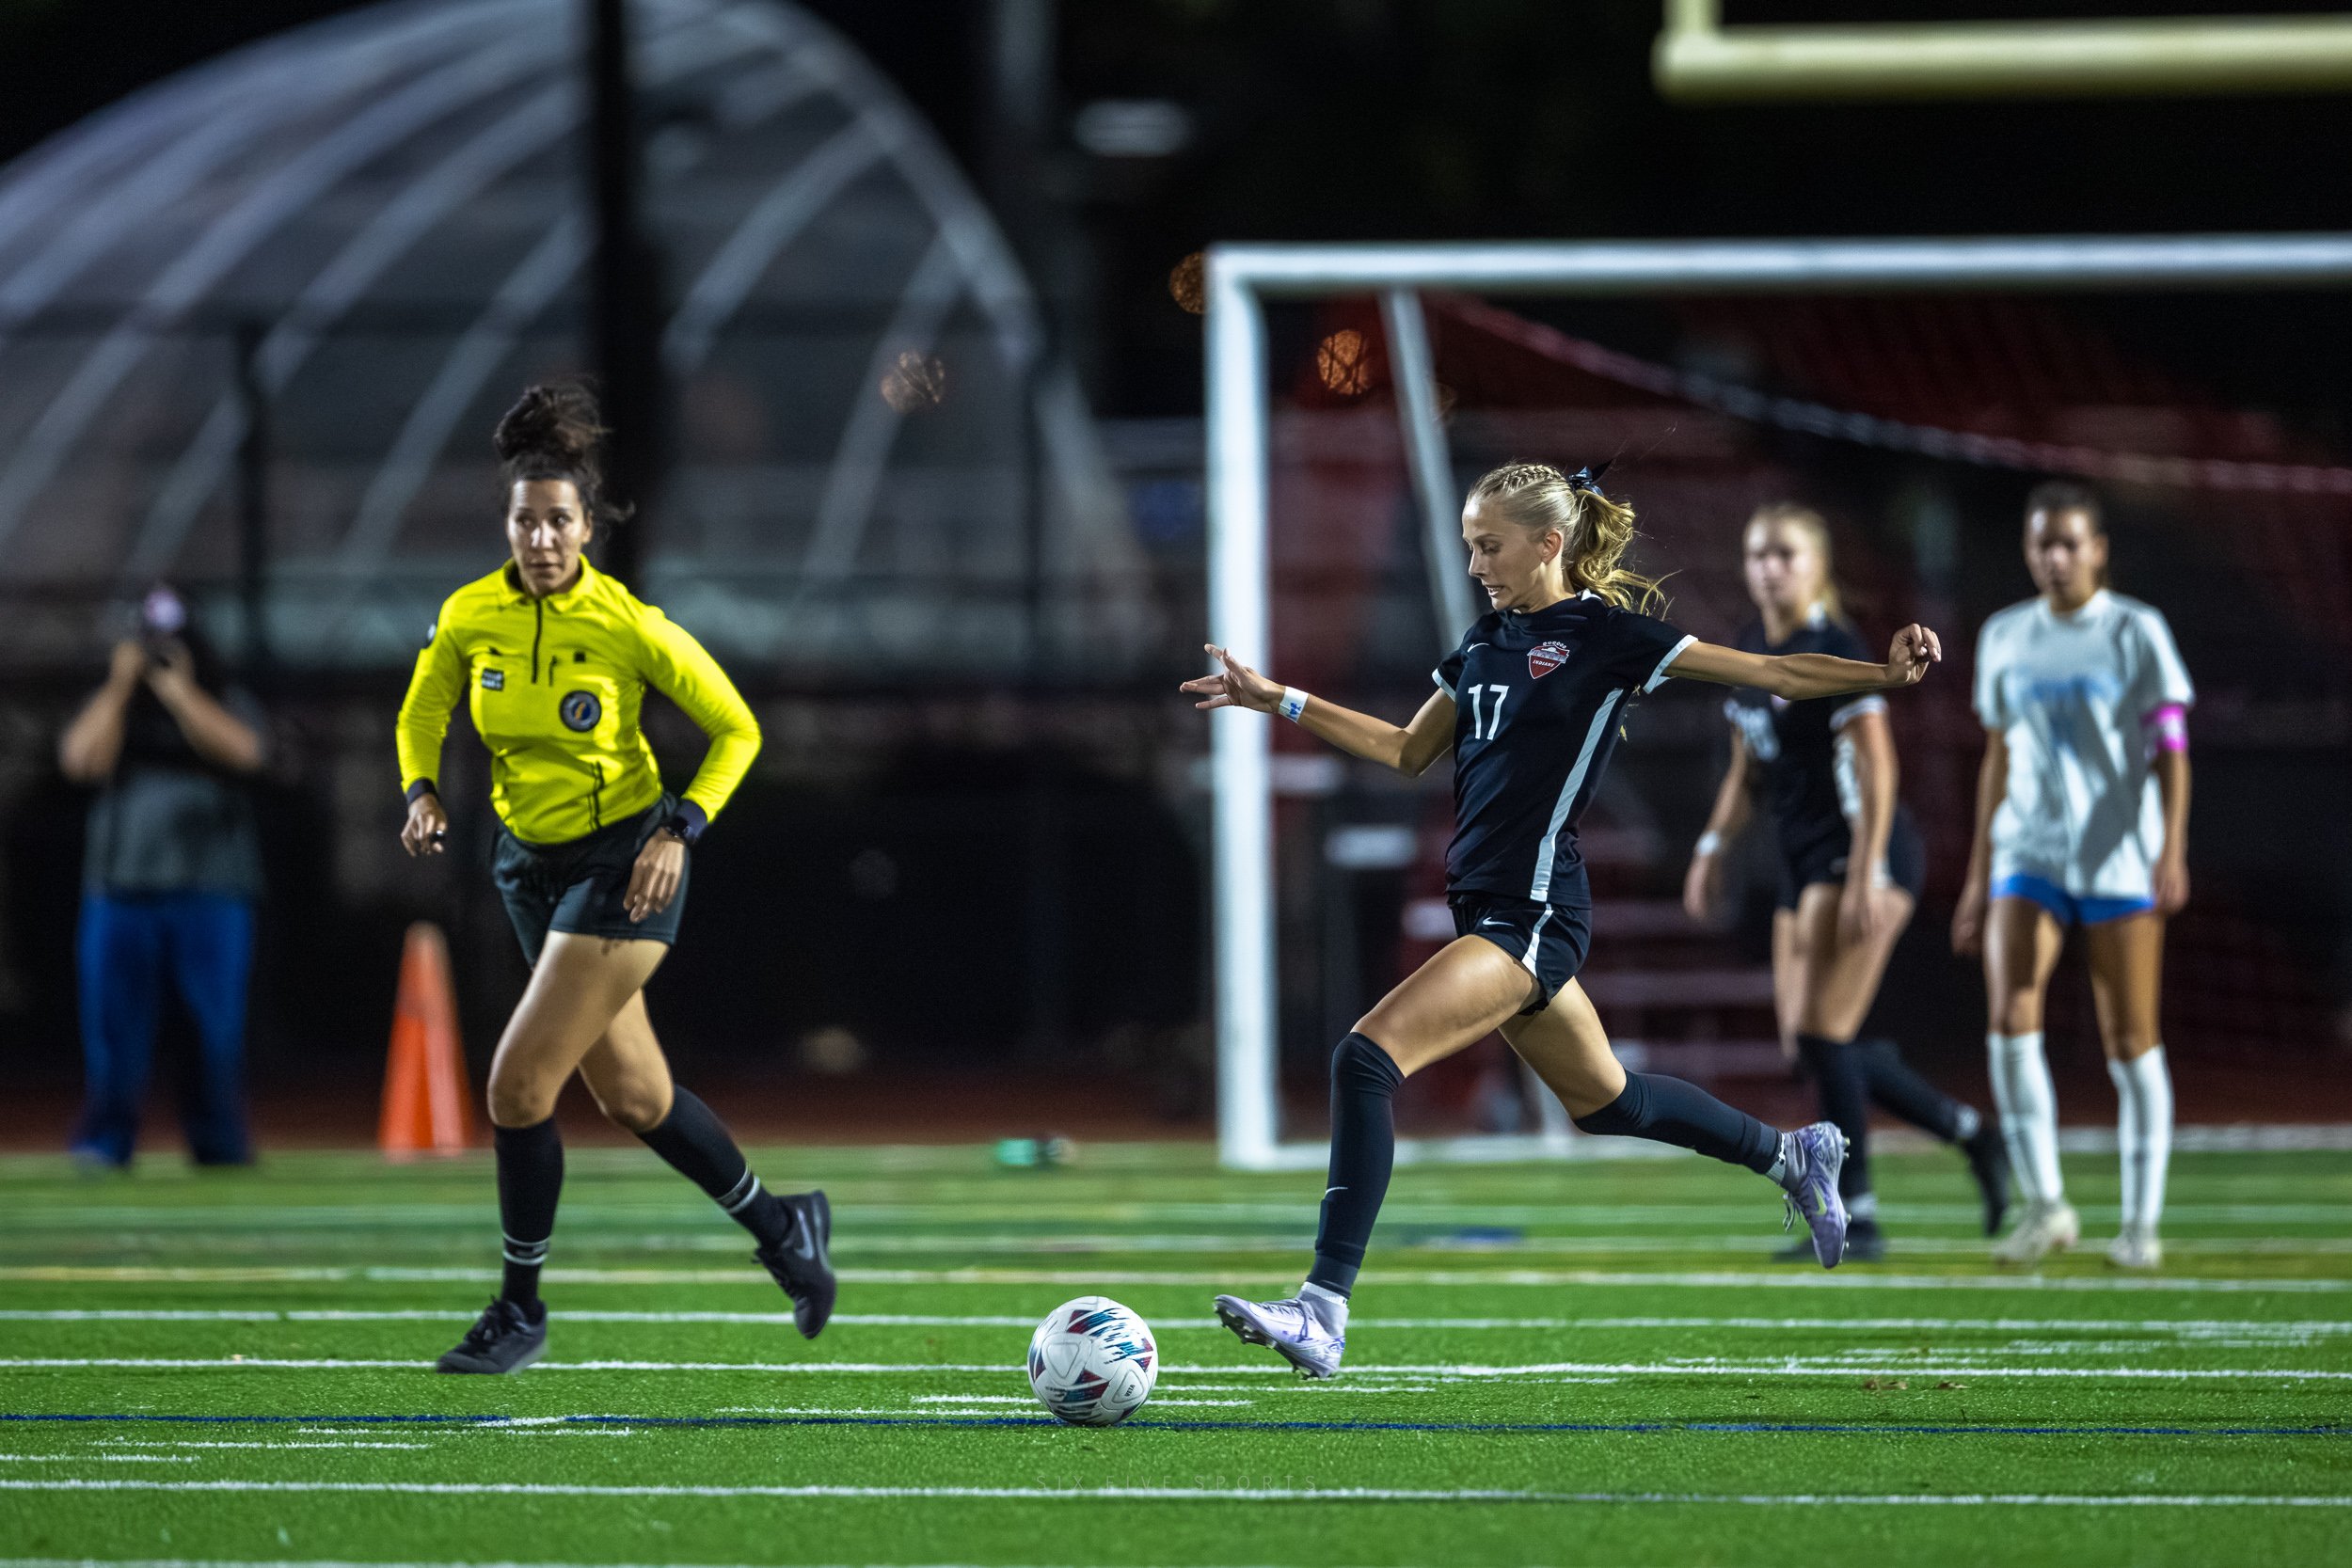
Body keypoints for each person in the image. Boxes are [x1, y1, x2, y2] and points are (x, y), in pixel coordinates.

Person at [1184, 462, 1942, 1377]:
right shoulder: (1484, 641)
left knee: (1365, 1058)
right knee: (1610, 1103)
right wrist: (1277, 698)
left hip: (1532, 911)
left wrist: (1882, 674)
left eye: (1490, 546)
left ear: (1548, 543)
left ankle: (1321, 1307)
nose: (1476, 565)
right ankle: (1791, 1154)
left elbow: (1773, 670)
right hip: (1490, 906)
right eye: (1470, 546)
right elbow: (1405, 750)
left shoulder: (1606, 635)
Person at [395, 382, 834, 1373]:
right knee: (636, 1095)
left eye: (560, 521)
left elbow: (737, 729)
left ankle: (519, 1309)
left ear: (587, 527)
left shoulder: (627, 622)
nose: (542, 538)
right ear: (507, 526)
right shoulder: (469, 615)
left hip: (623, 865)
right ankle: (786, 1228)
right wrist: (419, 789)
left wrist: (681, 827)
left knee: (516, 1084)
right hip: (527, 868)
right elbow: (422, 710)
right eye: (526, 521)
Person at [1684, 505, 2009, 1262]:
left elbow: (1878, 767)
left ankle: (1858, 1214)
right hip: (1801, 861)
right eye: (1759, 553)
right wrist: (1712, 847)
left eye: (1786, 554)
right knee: (1810, 1044)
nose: (1770, 568)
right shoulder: (1751, 644)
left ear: (1818, 566)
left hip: (1861, 851)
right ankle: (1971, 1133)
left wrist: (1868, 871)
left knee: (1826, 1036)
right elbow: (1746, 768)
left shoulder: (1835, 646)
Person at [1953, 482, 2191, 1271]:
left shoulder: (2135, 630)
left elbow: (2173, 750)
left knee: (2131, 1039)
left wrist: (2171, 849)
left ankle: (2141, 1224)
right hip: (2029, 853)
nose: (2054, 557)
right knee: (2009, 1019)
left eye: (2068, 543)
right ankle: (2047, 1205)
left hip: (2119, 855)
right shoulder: (2004, 634)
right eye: (2041, 544)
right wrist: (1978, 875)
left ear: (2098, 550)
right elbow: (1998, 756)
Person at [57, 585, 267, 1168]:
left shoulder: (225, 698)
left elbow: (248, 753)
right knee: (113, 1029)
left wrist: (181, 694)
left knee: (213, 1029)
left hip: (211, 891)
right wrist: (121, 685)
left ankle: (217, 1142)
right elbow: (80, 761)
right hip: (121, 890)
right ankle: (106, 1139)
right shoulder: (111, 703)